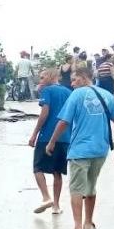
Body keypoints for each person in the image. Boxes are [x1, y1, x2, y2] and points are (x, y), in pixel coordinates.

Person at [46, 67, 114, 229]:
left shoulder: (76, 95)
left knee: (76, 188)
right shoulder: (107, 96)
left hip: (79, 150)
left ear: (84, 78)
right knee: (91, 186)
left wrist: (52, 141)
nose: (72, 83)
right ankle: (88, 222)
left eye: (74, 79)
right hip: (100, 150)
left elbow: (63, 122)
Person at [28, 69, 72, 215]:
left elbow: (44, 113)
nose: (40, 80)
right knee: (57, 171)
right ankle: (56, 206)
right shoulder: (68, 92)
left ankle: (46, 197)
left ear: (51, 76)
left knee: (38, 167)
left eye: (42, 77)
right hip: (64, 137)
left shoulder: (47, 91)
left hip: (47, 136)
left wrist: (34, 133)